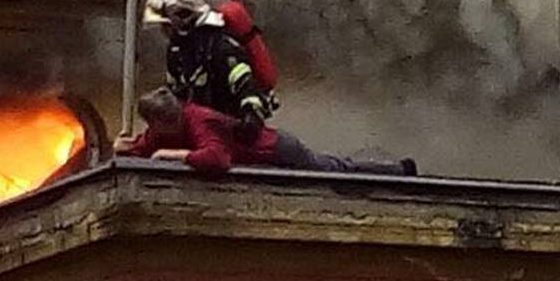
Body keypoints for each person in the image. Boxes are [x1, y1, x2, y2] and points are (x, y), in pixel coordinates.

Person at [115, 87, 416, 177]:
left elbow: (217, 159)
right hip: (269, 157)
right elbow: (148, 145)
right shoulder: (167, 126)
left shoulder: (199, 120)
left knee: (333, 171)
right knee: (332, 168)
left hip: (278, 150)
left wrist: (181, 155)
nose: (152, 131)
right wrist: (126, 149)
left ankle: (395, 171)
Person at [143, 0, 272, 140]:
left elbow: (247, 87)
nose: (164, 32)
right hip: (199, 132)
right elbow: (175, 94)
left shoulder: (220, 47)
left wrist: (250, 119)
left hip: (230, 133)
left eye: (167, 26)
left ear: (183, 18)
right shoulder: (176, 52)